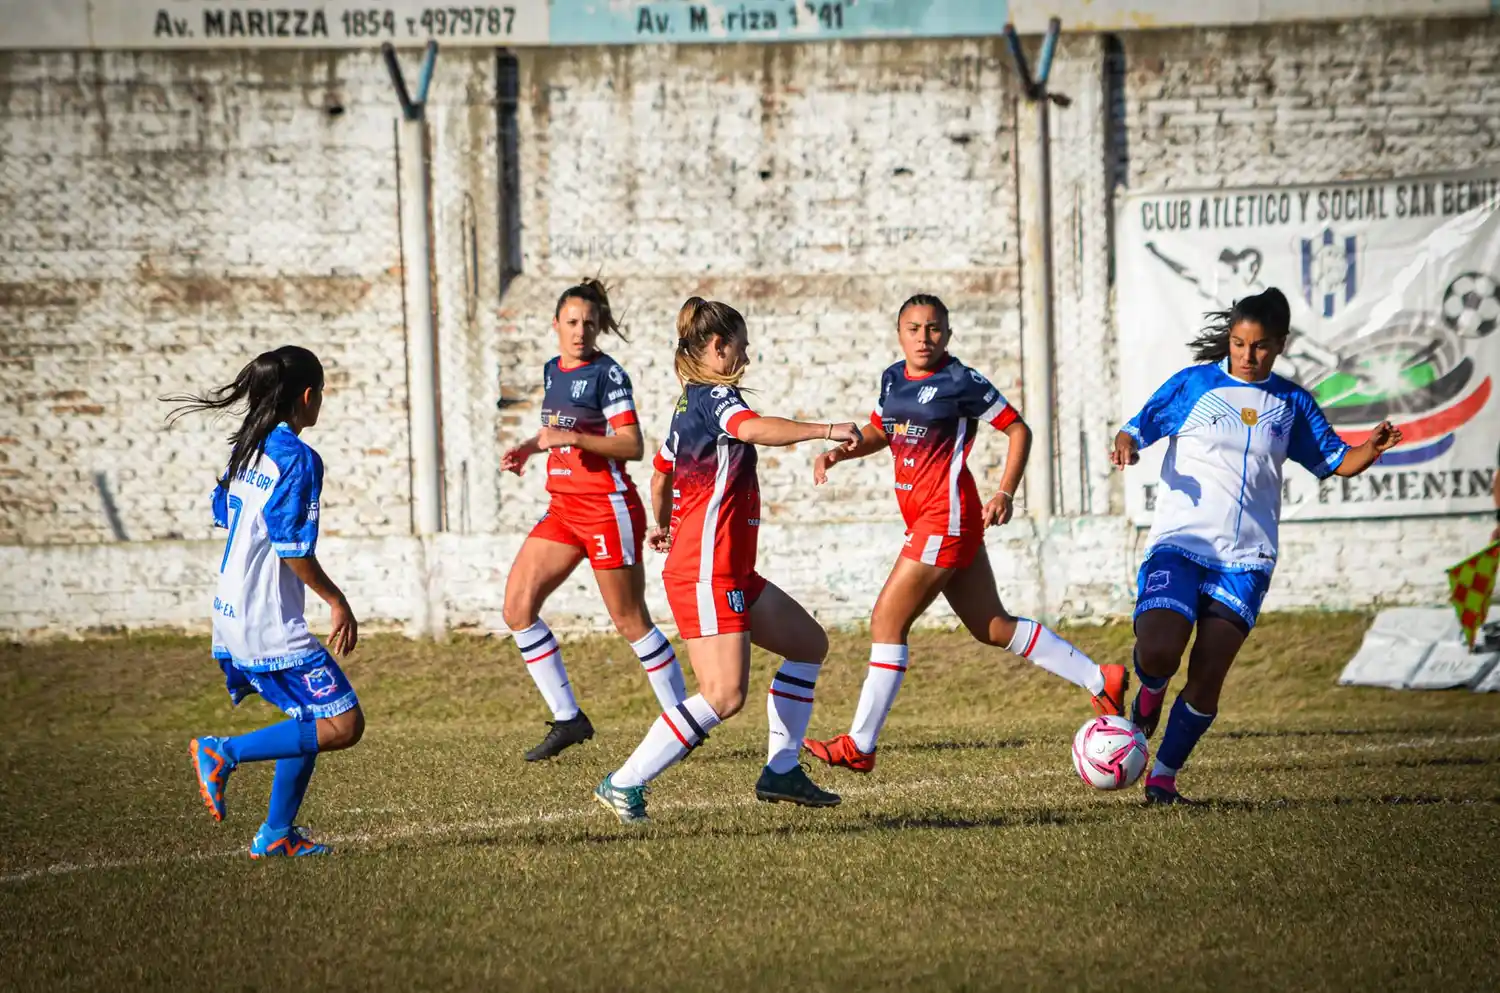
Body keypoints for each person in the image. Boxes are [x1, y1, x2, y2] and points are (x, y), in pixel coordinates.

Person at [801, 294, 1128, 775]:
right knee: (991, 626)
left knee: (885, 622)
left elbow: (1019, 430)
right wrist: (839, 454)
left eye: (934, 329)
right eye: (914, 329)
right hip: (934, 521)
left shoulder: (961, 381)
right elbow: (881, 431)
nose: (924, 338)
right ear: (899, 333)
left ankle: (860, 744)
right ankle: (1102, 678)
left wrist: (1006, 492)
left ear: (948, 335)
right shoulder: (892, 377)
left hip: (946, 517)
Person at [1112, 288, 1402, 805]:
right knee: (1158, 648)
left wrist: (1371, 449)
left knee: (1207, 676)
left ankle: (1162, 780)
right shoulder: (1195, 384)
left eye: (1261, 346)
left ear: (1281, 345)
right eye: (1240, 342)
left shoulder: (1292, 404)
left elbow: (1336, 461)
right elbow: (1137, 428)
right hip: (1181, 545)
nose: (1247, 355)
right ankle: (1149, 690)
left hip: (1246, 561)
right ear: (1231, 338)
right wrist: (1128, 444)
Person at [592, 297, 860, 824]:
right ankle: (624, 782)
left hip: (728, 567)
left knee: (809, 645)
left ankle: (782, 769)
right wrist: (825, 430)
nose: (748, 356)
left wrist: (662, 522)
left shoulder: (685, 404)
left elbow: (662, 472)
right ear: (718, 347)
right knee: (724, 694)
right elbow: (753, 429)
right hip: (705, 570)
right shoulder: (716, 399)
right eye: (742, 346)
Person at [165, 346, 363, 858]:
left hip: (229, 612)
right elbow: (292, 544)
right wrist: (336, 600)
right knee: (342, 725)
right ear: (307, 396)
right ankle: (221, 752)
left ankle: (276, 834)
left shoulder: (249, 449)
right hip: (267, 621)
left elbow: (224, 512)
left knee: (308, 717)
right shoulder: (297, 458)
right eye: (322, 394)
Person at [499, 280, 689, 761]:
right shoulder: (552, 370)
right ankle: (569, 719)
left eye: (589, 322)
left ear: (599, 325)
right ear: (556, 325)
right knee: (517, 609)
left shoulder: (608, 374)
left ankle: (683, 725)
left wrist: (577, 439)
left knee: (631, 622)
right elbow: (552, 431)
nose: (580, 330)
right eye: (571, 322)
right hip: (563, 509)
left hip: (608, 509)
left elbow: (632, 445)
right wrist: (526, 449)